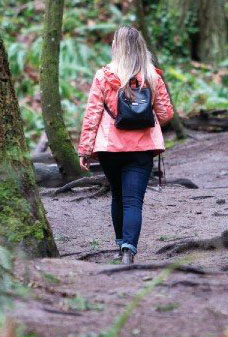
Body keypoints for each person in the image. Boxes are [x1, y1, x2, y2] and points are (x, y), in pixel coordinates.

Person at [77, 26, 174, 264]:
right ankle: (128, 250)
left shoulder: (104, 76)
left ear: (116, 47)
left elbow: (92, 114)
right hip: (141, 150)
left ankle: (120, 243)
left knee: (118, 197)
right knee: (133, 201)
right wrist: (146, 122)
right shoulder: (152, 76)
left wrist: (85, 149)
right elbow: (165, 113)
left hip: (110, 148)